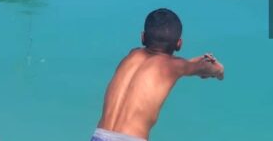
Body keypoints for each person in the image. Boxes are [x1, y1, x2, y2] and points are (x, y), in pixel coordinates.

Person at [92, 8, 224, 141]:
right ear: (179, 44)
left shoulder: (131, 55)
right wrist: (219, 71)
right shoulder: (172, 65)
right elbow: (206, 66)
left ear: (143, 37)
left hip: (99, 136)